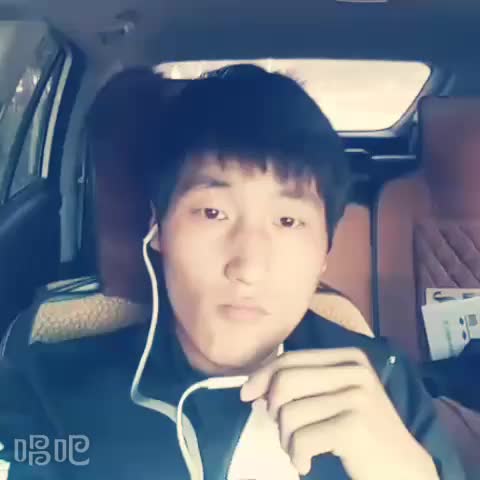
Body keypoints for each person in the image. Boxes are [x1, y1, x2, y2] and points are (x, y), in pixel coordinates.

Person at [0, 65, 466, 480]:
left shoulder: (384, 384)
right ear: (158, 228)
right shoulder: (49, 395)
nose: (248, 268)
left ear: (325, 249)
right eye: (212, 213)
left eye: (288, 221)